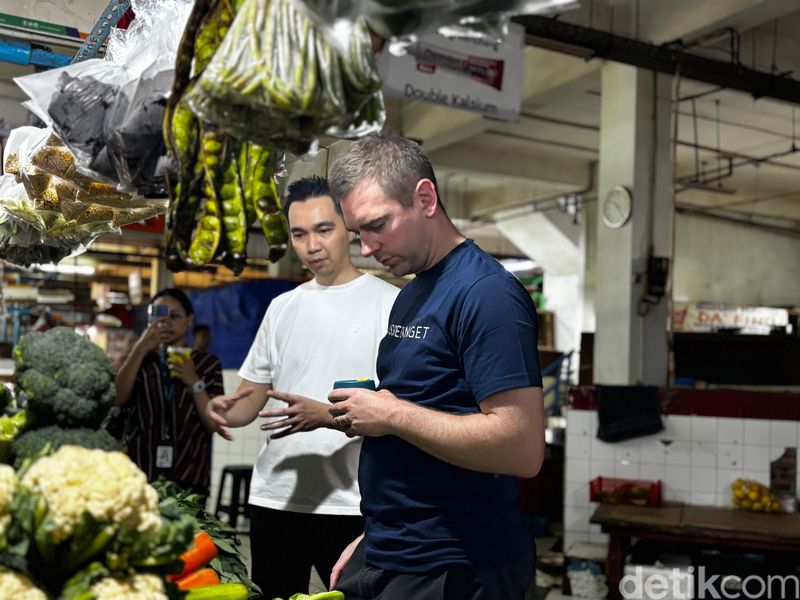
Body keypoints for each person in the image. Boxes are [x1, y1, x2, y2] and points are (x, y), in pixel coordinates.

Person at [325, 133, 546, 600]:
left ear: (425, 198)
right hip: (396, 550)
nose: (367, 248)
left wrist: (390, 414)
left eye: (377, 225)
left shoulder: (487, 295)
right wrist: (374, 539)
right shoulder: (413, 292)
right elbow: (425, 411)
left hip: (457, 565)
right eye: (358, 233)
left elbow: (522, 448)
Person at [206, 175, 398, 599]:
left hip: (352, 503)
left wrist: (326, 415)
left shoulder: (390, 304)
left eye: (323, 229)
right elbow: (250, 400)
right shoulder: (282, 307)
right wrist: (219, 407)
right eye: (299, 234)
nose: (312, 245)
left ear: (349, 227)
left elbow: (398, 408)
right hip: (276, 498)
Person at [115, 288, 224, 499]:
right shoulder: (137, 359)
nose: (166, 324)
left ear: (189, 319)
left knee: (189, 521)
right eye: (158, 317)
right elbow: (117, 398)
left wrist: (194, 382)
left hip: (190, 476)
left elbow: (214, 424)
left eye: (174, 317)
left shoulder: (208, 364)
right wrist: (140, 349)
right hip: (140, 473)